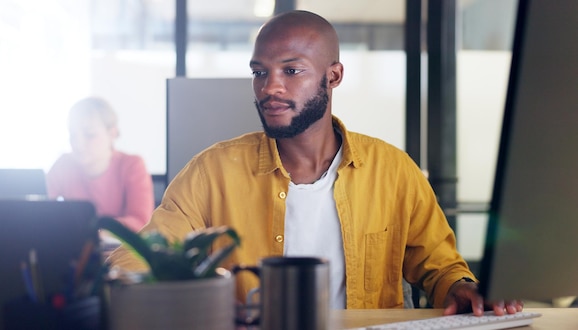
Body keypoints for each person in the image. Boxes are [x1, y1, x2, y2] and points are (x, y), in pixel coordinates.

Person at [107, 10, 522, 315]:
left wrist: (459, 287)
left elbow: (440, 267)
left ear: (333, 76)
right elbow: (142, 256)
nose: (270, 87)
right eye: (259, 72)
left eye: (291, 70)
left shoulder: (393, 170)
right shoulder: (211, 171)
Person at [46, 97, 154, 232]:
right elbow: (39, 211)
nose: (78, 144)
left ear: (112, 134)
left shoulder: (132, 165)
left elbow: (141, 222)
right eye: (73, 135)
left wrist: (95, 230)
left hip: (118, 252)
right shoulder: (64, 165)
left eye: (90, 135)